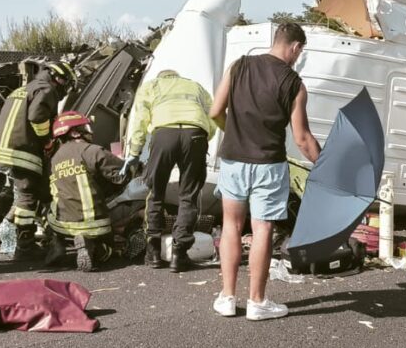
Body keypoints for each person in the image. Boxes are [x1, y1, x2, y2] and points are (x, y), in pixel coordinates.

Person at [209, 22, 321, 321]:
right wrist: (323, 166)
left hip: (233, 160)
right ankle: (257, 302)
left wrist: (234, 132)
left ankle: (227, 297)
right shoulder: (294, 84)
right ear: (295, 47)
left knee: (231, 226)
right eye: (300, 52)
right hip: (268, 166)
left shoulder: (239, 66)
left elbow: (215, 112)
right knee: (262, 229)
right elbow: (302, 139)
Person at [124, 70, 217, 272]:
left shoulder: (151, 85)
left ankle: (153, 252)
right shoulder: (196, 86)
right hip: (195, 134)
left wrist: (134, 151)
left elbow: (140, 120)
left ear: (161, 77)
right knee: (188, 196)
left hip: (164, 135)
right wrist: (203, 137)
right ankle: (179, 254)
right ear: (176, 77)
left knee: (155, 193)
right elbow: (213, 115)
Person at [0, 61, 76, 260]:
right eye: (66, 83)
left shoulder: (21, 90)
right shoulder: (46, 89)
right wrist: (47, 141)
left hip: (5, 150)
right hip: (24, 151)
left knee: (26, 193)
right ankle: (25, 246)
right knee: (27, 197)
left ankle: (28, 240)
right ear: (58, 78)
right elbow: (37, 117)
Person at [43, 111, 129, 272]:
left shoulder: (54, 159)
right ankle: (99, 248)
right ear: (75, 133)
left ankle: (57, 242)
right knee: (110, 248)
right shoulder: (92, 150)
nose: (90, 132)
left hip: (62, 224)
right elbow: (122, 175)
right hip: (95, 223)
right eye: (86, 128)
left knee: (49, 211)